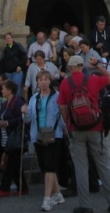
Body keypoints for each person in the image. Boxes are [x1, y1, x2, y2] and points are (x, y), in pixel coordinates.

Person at [58, 55, 110, 213]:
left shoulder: (65, 83)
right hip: (95, 126)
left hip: (76, 129)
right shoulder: (93, 79)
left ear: (71, 68)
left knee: (81, 168)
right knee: (103, 164)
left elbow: (63, 108)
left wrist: (68, 124)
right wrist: (98, 66)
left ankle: (86, 205)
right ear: (82, 66)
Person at [22, 70, 65, 211]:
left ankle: (47, 199)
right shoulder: (34, 98)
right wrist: (25, 112)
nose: (43, 82)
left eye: (46, 79)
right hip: (38, 135)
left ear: (50, 81)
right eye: (40, 80)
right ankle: (57, 194)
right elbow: (28, 119)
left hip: (54, 135)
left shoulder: (57, 96)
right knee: (46, 167)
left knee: (50, 167)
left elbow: (63, 116)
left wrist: (66, 131)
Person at [0, 80, 28, 197]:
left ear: (9, 90)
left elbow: (21, 118)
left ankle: (4, 188)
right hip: (6, 137)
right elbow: (0, 116)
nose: (2, 90)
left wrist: (8, 123)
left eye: (3, 88)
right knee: (15, 164)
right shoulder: (5, 104)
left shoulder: (17, 102)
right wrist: (0, 122)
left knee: (11, 164)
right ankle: (22, 187)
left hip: (14, 137)